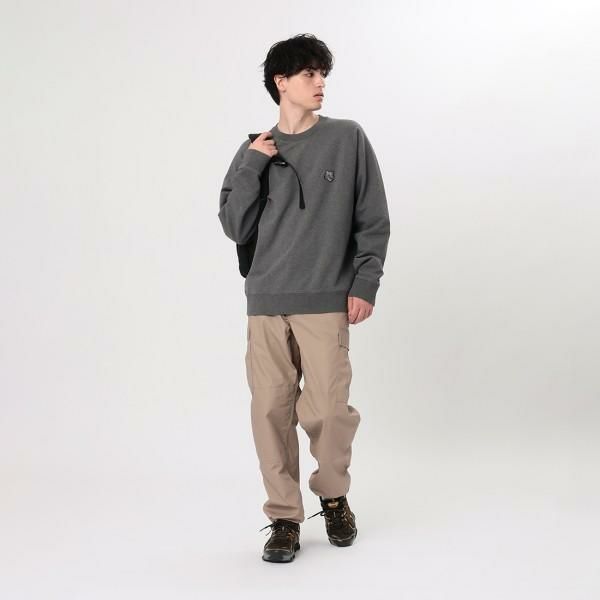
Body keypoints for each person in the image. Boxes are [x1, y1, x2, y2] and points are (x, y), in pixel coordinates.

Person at [218, 33, 391, 563]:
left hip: (325, 300)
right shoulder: (254, 149)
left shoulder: (347, 137)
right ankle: (284, 519)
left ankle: (333, 496)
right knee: (270, 412)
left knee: (330, 412)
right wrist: (253, 162)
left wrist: (364, 283)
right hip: (266, 300)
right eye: (309, 74)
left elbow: (372, 217)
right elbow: (233, 224)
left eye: (323, 74)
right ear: (281, 82)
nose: (320, 83)